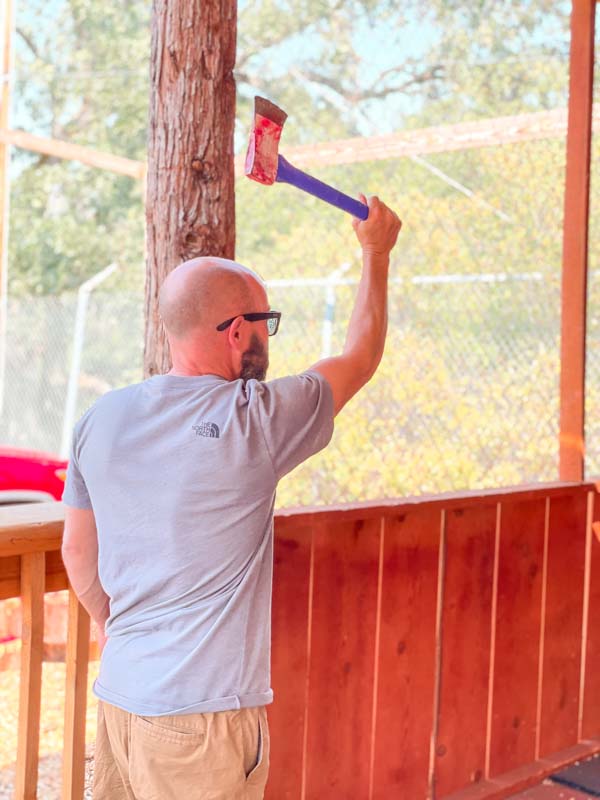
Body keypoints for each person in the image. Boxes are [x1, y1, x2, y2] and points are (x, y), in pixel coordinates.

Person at [61, 194, 401, 800]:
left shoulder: (99, 419)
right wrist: (376, 254)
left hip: (120, 701)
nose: (268, 337)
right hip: (202, 720)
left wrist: (113, 627)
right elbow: (361, 356)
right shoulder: (255, 420)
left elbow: (79, 556)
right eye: (266, 323)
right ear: (236, 330)